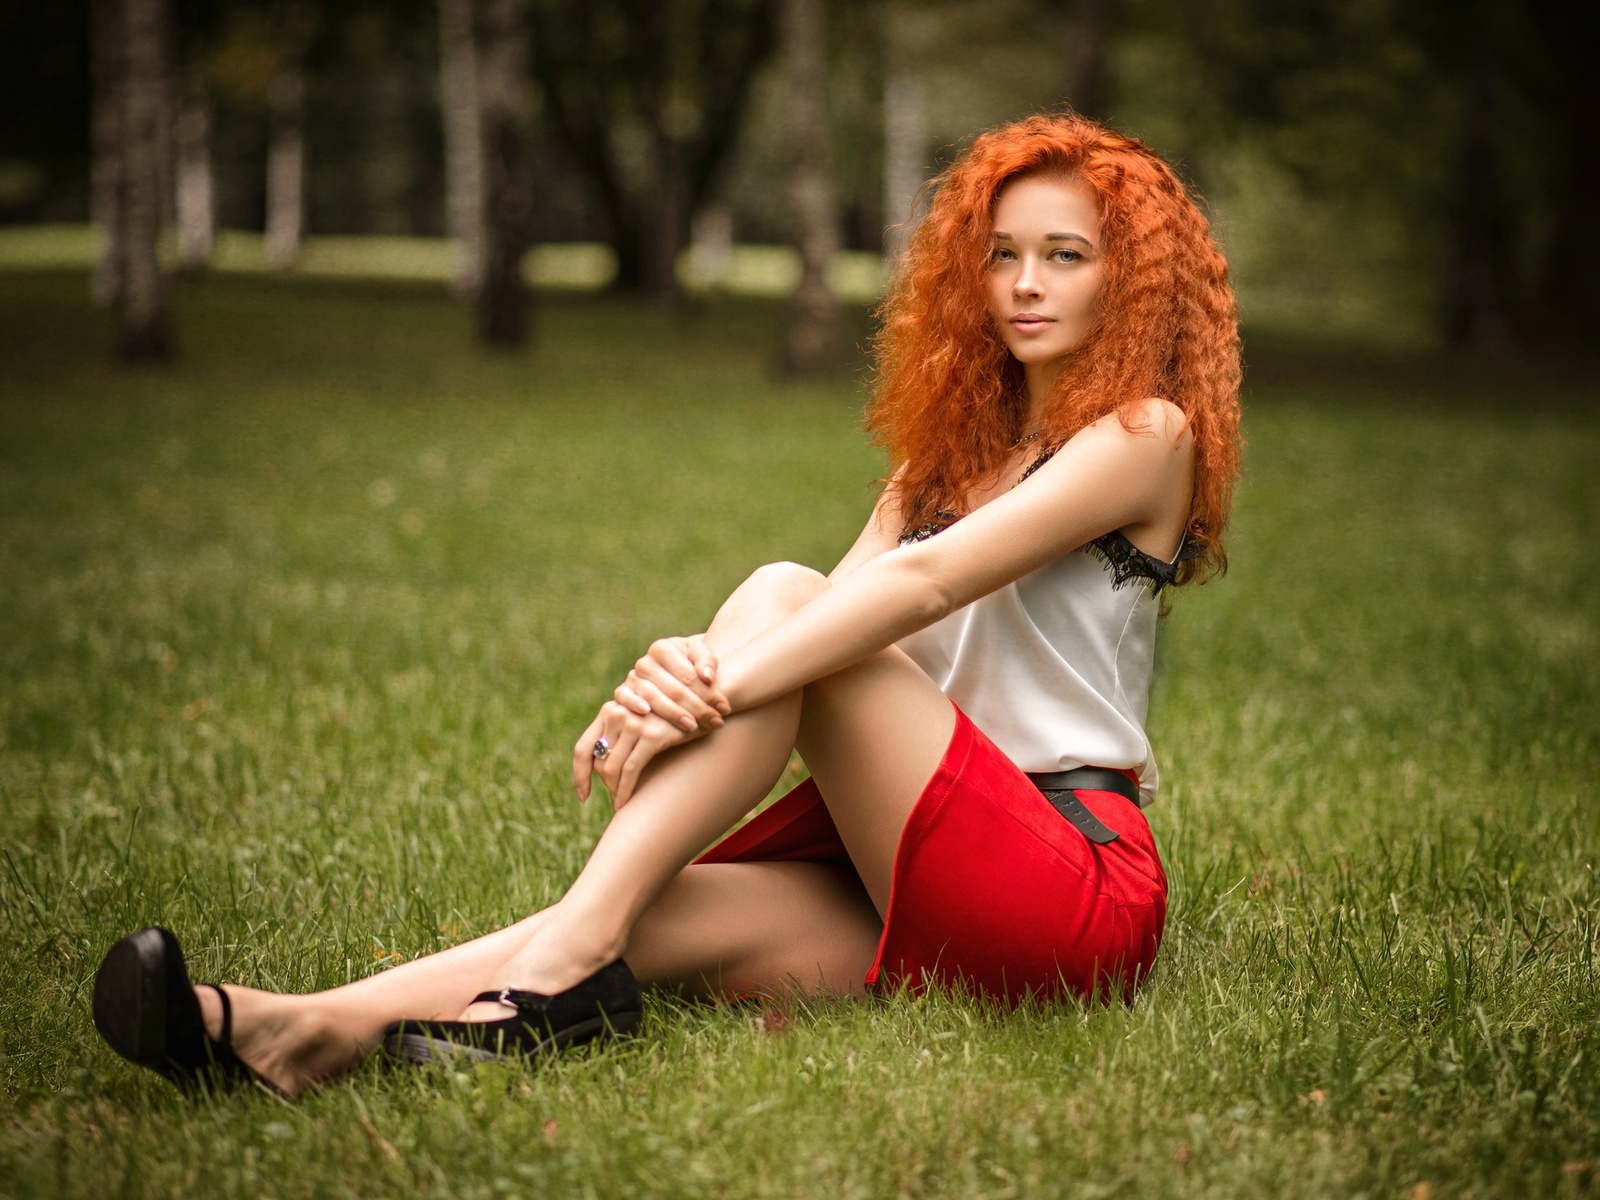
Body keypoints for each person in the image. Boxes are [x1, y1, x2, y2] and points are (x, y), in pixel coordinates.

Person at [91, 112, 1241, 1096]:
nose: (1026, 284)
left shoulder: (1145, 438)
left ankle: (561, 973)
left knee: (780, 599)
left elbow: (911, 588)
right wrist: (690, 670)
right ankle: (290, 1030)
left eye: (1065, 255)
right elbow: (834, 615)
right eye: (1001, 254)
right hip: (901, 853)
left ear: (1127, 277)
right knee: (668, 903)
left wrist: (713, 681)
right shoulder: (940, 462)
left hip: (1066, 885)